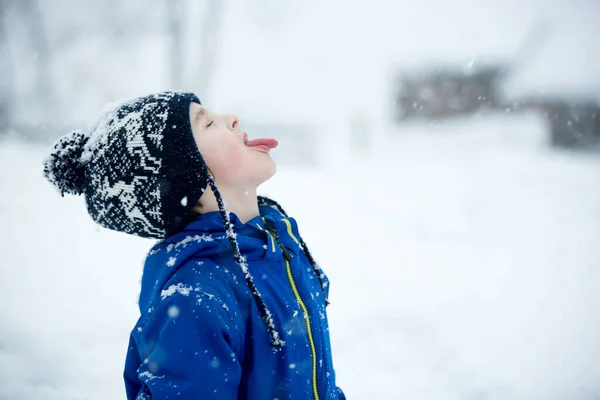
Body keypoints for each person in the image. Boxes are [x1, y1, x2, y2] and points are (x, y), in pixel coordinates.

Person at [43, 91, 345, 399]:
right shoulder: (196, 299)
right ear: (184, 175)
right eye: (209, 123)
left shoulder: (279, 248)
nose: (232, 119)